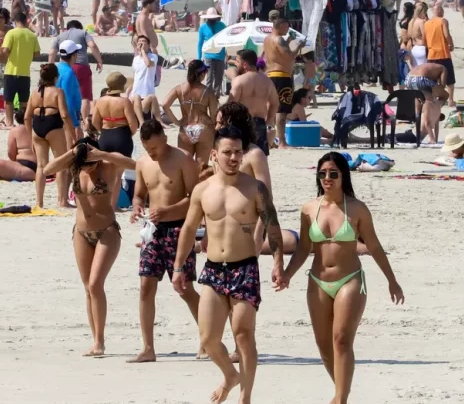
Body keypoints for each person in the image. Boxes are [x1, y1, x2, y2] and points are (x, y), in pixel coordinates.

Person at [171, 126, 284, 404]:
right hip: (213, 270)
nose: (233, 157)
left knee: (244, 336)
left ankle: (245, 398)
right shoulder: (201, 190)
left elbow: (273, 225)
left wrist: (278, 263)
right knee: (208, 339)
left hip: (244, 268)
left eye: (238, 152)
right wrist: (177, 267)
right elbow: (187, 229)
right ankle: (231, 376)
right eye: (227, 152)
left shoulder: (254, 188)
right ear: (214, 155)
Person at [281, 152, 404, 404]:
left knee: (341, 340)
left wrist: (392, 280)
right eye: (323, 173)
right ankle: (341, 391)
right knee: (323, 343)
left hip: (349, 279)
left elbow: (375, 246)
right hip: (317, 280)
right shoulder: (309, 209)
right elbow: (304, 247)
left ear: (343, 176)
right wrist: (287, 274)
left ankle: (340, 400)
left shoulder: (357, 209)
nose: (327, 178)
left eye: (333, 173)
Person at [44, 132, 136, 357]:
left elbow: (135, 164)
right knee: (88, 288)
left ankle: (100, 341)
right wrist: (72, 153)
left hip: (107, 231)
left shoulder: (108, 166)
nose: (88, 167)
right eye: (84, 163)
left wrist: (102, 154)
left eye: (91, 162)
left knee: (95, 284)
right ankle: (95, 339)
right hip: (81, 233)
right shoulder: (75, 167)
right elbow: (47, 170)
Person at [128, 120, 203, 363]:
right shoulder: (142, 163)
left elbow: (195, 198)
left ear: (164, 138)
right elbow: (139, 193)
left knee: (184, 288)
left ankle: (207, 339)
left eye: (155, 148)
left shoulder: (183, 160)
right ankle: (148, 347)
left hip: (179, 229)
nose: (152, 153)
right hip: (153, 230)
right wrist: (137, 206)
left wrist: (169, 210)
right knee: (145, 287)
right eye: (148, 149)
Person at [26, 63, 76, 209]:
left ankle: (39, 202)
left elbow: (26, 117)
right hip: (53, 126)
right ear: (55, 77)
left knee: (41, 166)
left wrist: (31, 137)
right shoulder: (57, 92)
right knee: (60, 163)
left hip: (37, 127)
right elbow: (65, 115)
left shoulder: (35, 92)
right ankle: (62, 201)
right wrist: (72, 134)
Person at [163, 60, 219, 167]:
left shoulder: (179, 89)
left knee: (184, 166)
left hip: (186, 127)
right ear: (201, 74)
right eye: (205, 72)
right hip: (203, 127)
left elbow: (165, 105)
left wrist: (177, 122)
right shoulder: (207, 91)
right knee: (201, 166)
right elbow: (214, 114)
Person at [51, 20, 104, 125]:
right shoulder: (83, 33)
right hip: (81, 66)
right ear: (79, 27)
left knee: (64, 94)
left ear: (67, 27)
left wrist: (50, 67)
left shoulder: (60, 36)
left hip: (63, 67)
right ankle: (84, 122)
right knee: (85, 96)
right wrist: (99, 60)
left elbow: (52, 53)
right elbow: (92, 45)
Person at [228, 49, 279, 156]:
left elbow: (231, 105)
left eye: (237, 61)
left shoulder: (239, 80)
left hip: (241, 122)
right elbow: (275, 103)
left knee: (241, 157)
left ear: (245, 64)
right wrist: (269, 119)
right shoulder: (267, 81)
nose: (235, 64)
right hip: (259, 123)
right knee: (259, 158)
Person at [263, 10, 297, 147]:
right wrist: (298, 47)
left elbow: (277, 53)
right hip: (281, 76)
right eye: (287, 27)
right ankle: (281, 141)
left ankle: (269, 140)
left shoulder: (267, 39)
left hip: (270, 75)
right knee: (281, 110)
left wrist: (289, 40)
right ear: (282, 26)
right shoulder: (279, 39)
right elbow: (289, 56)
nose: (288, 29)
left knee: (270, 109)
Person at [2, 11, 40, 128]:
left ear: (15, 21)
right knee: (24, 100)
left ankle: (9, 122)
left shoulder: (11, 33)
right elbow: (37, 54)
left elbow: (5, 50)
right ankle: (24, 122)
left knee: (9, 99)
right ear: (25, 21)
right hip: (25, 72)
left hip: (11, 71)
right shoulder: (32, 35)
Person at [0, 111, 38, 181]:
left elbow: (11, 154)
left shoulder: (15, 130)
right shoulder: (38, 129)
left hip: (25, 168)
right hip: (39, 166)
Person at [404, 61, 448, 144]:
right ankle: (433, 112)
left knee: (418, 97)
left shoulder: (429, 67)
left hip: (408, 79)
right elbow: (442, 86)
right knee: (445, 95)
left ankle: (418, 118)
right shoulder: (443, 69)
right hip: (420, 79)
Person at [424, 1, 456, 106]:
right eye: (442, 10)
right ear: (439, 11)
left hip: (431, 55)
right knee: (449, 79)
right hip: (443, 54)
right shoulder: (443, 21)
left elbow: (424, 40)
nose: (443, 12)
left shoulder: (426, 23)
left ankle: (433, 99)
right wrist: (451, 44)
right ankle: (450, 100)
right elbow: (447, 35)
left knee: (432, 80)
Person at [55, 40, 85, 138]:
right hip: (67, 119)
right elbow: (68, 101)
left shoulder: (56, 68)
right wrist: (76, 125)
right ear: (74, 55)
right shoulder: (69, 73)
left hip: (57, 115)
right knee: (71, 149)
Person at [131, 35, 160, 123]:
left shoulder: (153, 57)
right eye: (139, 41)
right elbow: (135, 76)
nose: (141, 43)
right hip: (135, 94)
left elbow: (148, 64)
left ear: (148, 45)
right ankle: (140, 122)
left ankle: (146, 122)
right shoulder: (135, 59)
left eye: (144, 41)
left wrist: (143, 51)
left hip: (146, 93)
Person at [198, 8, 228, 95]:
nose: (212, 20)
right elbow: (200, 43)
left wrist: (227, 53)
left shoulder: (222, 26)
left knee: (219, 78)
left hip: (220, 55)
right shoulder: (202, 28)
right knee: (209, 78)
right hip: (208, 56)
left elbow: (226, 40)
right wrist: (199, 57)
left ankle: (216, 96)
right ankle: (208, 97)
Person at [408, 1, 429, 67]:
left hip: (414, 48)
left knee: (416, 71)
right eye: (424, 12)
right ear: (421, 12)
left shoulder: (411, 21)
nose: (425, 14)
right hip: (421, 48)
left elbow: (409, 35)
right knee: (424, 71)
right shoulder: (421, 21)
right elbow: (424, 35)